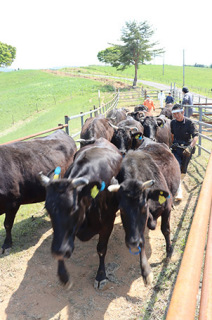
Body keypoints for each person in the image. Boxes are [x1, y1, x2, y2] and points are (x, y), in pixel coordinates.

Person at [170, 104, 198, 200]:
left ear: (182, 112)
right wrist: (172, 143)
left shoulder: (190, 123)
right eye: (174, 114)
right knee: (176, 166)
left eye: (178, 113)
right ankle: (179, 191)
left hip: (187, 149)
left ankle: (179, 184)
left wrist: (190, 147)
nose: (176, 116)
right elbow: (172, 134)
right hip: (176, 149)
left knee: (183, 170)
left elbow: (195, 136)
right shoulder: (172, 123)